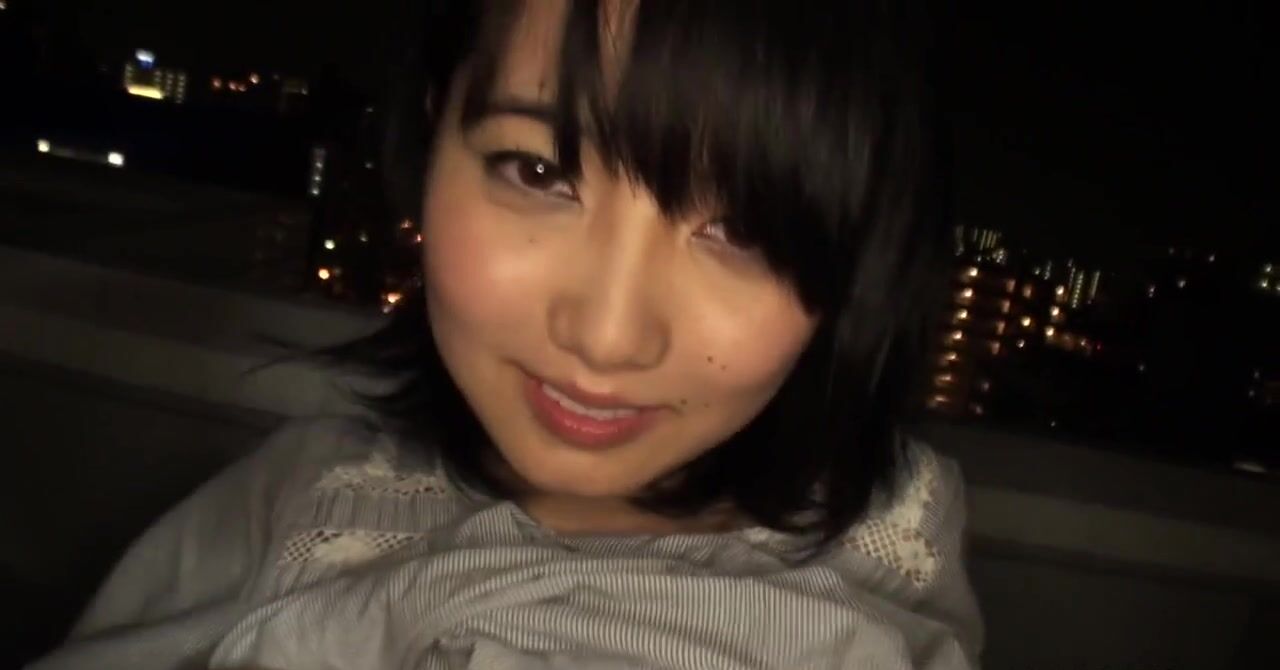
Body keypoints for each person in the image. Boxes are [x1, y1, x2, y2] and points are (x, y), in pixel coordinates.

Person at [31, 0, 983, 667]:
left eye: (742, 230)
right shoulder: (296, 493)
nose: (606, 337)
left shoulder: (888, 563)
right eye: (537, 173)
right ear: (433, 134)